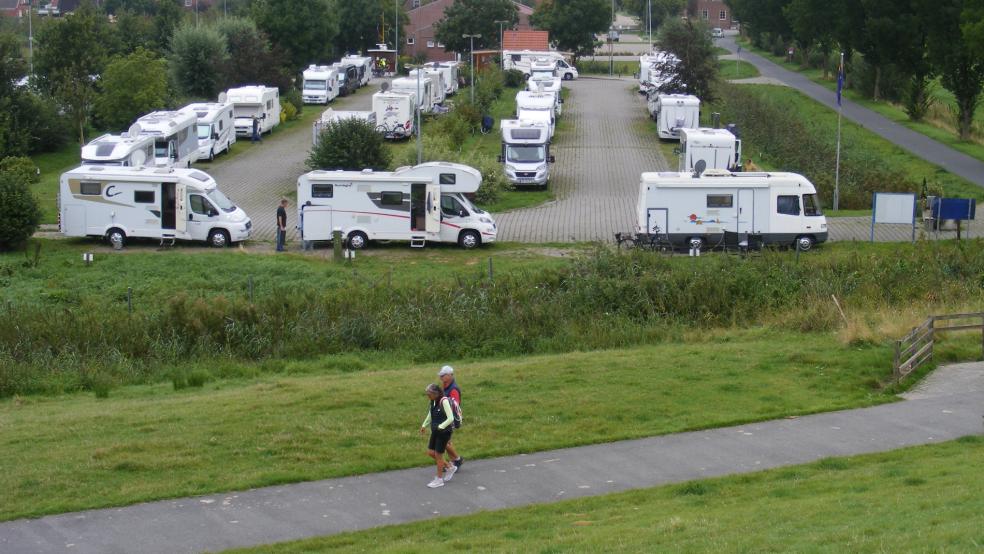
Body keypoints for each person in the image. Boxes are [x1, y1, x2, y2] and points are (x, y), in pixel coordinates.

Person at [420, 383, 456, 488]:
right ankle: (450, 467)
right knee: (431, 452)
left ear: (436, 393)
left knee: (438, 455)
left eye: (429, 394)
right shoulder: (433, 401)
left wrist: (441, 426)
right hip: (436, 431)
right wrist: (424, 425)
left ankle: (439, 479)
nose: (428, 396)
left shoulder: (444, 401)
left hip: (444, 432)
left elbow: (451, 418)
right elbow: (431, 414)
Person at [438, 365, 463, 470]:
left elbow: (454, 406)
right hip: (444, 417)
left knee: (444, 442)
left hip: (450, 419)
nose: (441, 377)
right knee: (447, 442)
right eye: (441, 375)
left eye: (443, 375)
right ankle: (453, 461)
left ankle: (457, 459)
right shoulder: (445, 386)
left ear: (450, 375)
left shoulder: (453, 390)